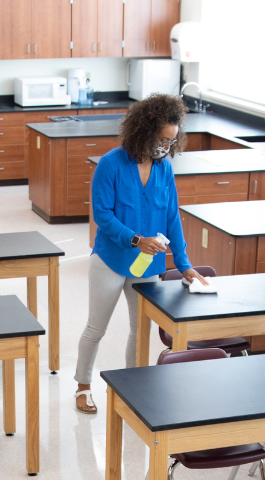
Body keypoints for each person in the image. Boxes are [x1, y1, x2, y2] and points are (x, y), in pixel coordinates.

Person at [74, 93, 208, 414]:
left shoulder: (164, 170)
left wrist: (184, 263)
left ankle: (133, 388)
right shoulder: (111, 164)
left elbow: (172, 216)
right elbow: (103, 215)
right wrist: (136, 240)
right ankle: (82, 386)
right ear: (144, 131)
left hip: (148, 265)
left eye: (170, 141)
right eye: (161, 139)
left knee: (140, 330)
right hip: (111, 260)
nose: (165, 146)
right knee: (97, 326)